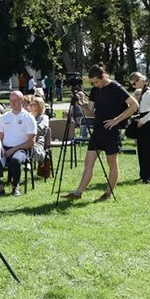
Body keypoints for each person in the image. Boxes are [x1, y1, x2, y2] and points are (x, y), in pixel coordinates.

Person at [63, 65, 139, 201]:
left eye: (96, 82)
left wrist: (116, 120)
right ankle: (78, 193)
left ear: (103, 77)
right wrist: (80, 103)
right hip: (97, 131)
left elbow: (134, 105)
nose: (95, 85)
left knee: (112, 162)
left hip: (111, 131)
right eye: (92, 83)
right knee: (88, 162)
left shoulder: (116, 88)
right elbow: (89, 111)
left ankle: (108, 194)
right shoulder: (95, 90)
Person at [0, 91, 36, 197]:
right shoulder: (4, 117)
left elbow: (30, 142)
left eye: (15, 100)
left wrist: (13, 149)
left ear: (22, 101)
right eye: (11, 101)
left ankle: (15, 186)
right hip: (5, 147)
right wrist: (0, 149)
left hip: (22, 148)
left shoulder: (29, 118)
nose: (13, 103)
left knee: (16, 160)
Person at [129, 72, 150, 184]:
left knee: (148, 150)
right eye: (132, 84)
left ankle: (148, 177)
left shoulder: (149, 93)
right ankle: (143, 175)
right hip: (143, 119)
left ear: (141, 79)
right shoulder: (143, 92)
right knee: (141, 149)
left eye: (134, 83)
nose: (134, 86)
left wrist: (142, 120)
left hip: (148, 122)